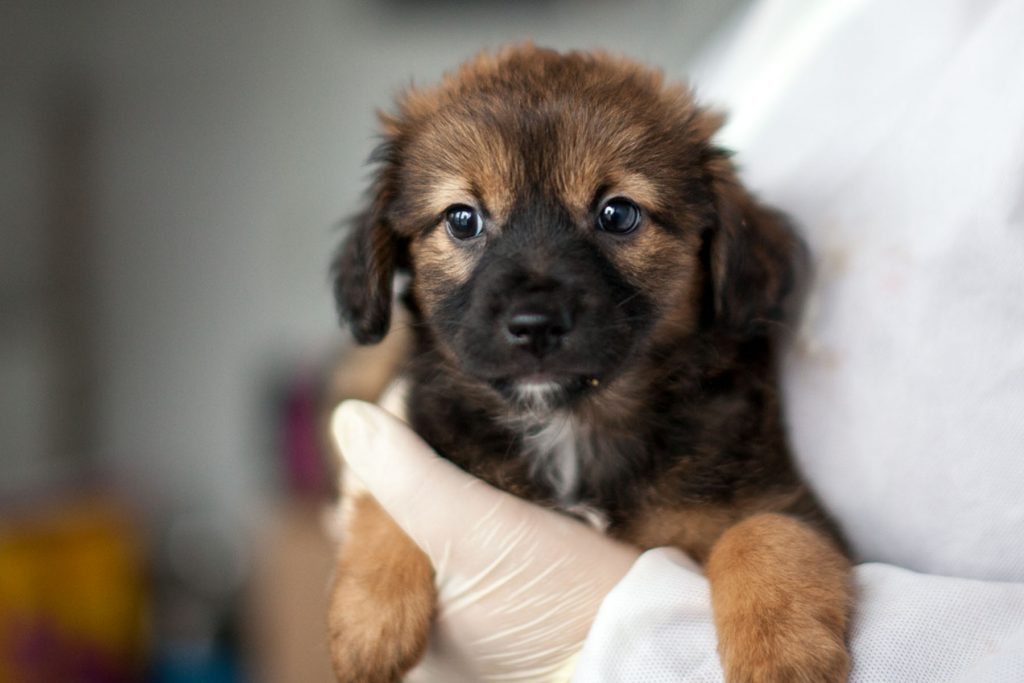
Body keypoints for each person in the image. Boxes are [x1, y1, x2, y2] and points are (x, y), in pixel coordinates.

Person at [331, 0, 1024, 679]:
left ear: (720, 251)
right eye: (462, 220)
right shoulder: (806, 24)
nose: (532, 310)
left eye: (617, 214)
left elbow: (775, 524)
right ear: (385, 253)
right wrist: (388, 531)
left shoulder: (727, 454)